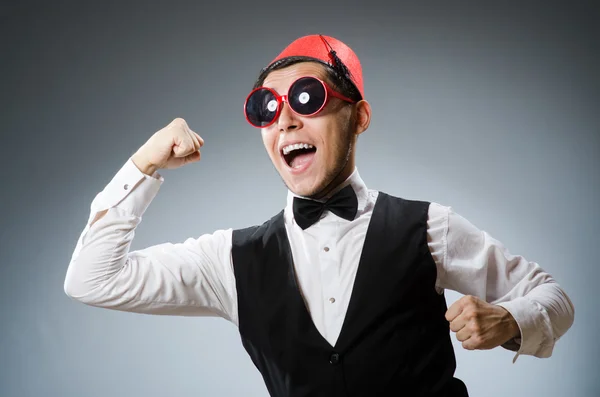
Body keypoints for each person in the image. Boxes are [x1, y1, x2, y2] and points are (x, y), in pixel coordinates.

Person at [64, 34, 575, 396]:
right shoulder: (229, 260)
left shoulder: (428, 227)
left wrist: (510, 319)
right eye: (267, 107)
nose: (285, 119)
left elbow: (553, 296)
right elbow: (92, 280)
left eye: (307, 99)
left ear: (359, 117)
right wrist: (145, 162)